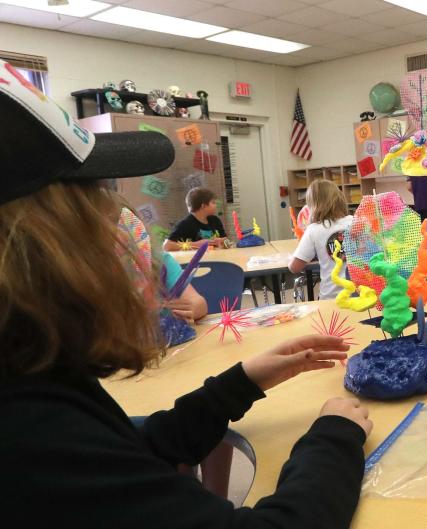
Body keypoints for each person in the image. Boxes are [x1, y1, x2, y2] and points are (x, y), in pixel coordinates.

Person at [0, 63, 372, 528]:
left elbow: (124, 454)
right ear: (35, 241)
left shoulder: (32, 378)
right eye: (93, 197)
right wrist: (335, 436)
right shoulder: (24, 430)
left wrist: (241, 383)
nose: (117, 219)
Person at [288, 179, 353, 299]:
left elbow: (294, 267)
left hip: (332, 298)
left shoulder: (313, 230)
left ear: (312, 206)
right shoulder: (356, 221)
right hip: (362, 297)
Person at [163, 186, 228, 251]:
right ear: (203, 206)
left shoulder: (215, 220)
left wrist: (222, 242)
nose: (216, 205)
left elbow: (226, 240)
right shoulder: (186, 224)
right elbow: (167, 246)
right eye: (213, 202)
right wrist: (196, 244)